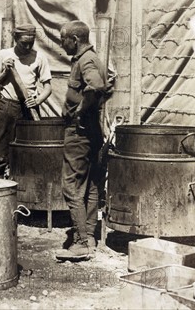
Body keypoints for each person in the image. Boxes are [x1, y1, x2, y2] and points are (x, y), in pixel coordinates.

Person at [55, 20, 113, 260]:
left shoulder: (86, 60)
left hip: (79, 132)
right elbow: (106, 87)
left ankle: (80, 243)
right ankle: (89, 235)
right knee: (89, 184)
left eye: (63, 39)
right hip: (91, 132)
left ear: (75, 39)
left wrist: (79, 111)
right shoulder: (91, 58)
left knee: (71, 186)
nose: (62, 44)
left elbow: (97, 86)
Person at [0, 23, 52, 178]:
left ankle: (23, 192)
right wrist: (4, 72)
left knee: (28, 154)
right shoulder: (3, 55)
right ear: (15, 39)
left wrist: (37, 101)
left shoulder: (39, 57)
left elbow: (48, 88)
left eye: (31, 42)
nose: (28, 46)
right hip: (7, 108)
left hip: (29, 110)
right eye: (24, 43)